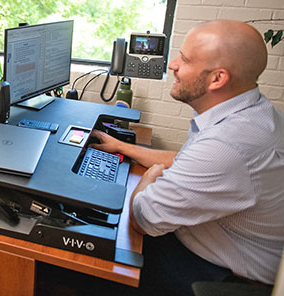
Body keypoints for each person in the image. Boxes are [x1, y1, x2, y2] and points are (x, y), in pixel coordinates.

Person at [80, 19, 284, 295]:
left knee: (86, 255)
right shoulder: (253, 114)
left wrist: (148, 178)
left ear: (217, 78)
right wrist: (124, 147)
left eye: (185, 60)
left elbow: (143, 218)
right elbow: (187, 159)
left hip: (214, 276)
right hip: (213, 248)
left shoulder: (228, 145)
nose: (173, 64)